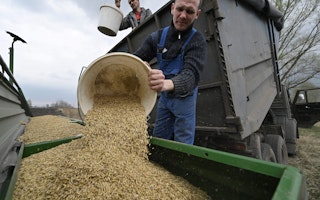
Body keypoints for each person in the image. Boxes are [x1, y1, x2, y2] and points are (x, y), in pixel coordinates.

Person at [134, 0, 206, 145]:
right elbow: (134, 60)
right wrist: (140, 66)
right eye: (180, 9)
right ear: (172, 8)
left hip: (185, 102)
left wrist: (165, 83)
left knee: (183, 146)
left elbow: (191, 76)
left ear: (197, 14)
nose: (183, 16)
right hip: (165, 101)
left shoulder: (197, 41)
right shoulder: (157, 38)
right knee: (159, 141)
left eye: (190, 11)